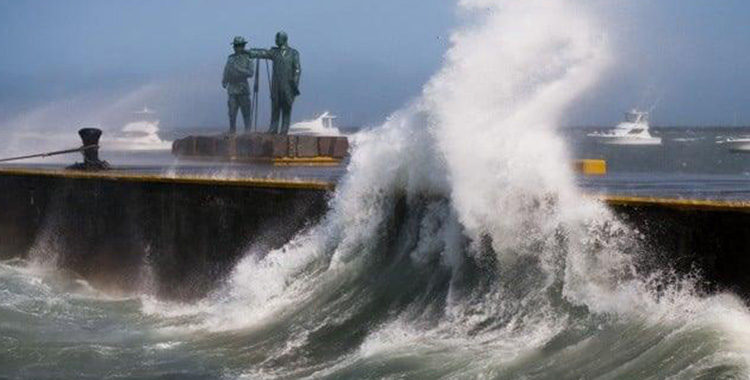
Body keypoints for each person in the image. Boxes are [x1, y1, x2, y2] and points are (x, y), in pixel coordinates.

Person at [246, 31, 301, 134]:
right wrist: (248, 52)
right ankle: (273, 128)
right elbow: (263, 53)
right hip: (276, 86)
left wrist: (294, 85)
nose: (275, 41)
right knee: (275, 107)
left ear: (284, 39)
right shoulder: (274, 52)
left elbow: (297, 70)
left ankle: (284, 129)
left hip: (289, 86)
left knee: (286, 109)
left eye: (277, 38)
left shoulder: (294, 53)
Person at [222, 36, 254, 134]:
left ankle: (247, 131)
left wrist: (238, 69)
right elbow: (226, 70)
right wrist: (224, 80)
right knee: (231, 112)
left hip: (243, 88)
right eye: (235, 46)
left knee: (246, 112)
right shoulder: (230, 58)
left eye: (239, 46)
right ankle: (232, 130)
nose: (236, 48)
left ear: (243, 46)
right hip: (232, 88)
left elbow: (250, 73)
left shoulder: (248, 58)